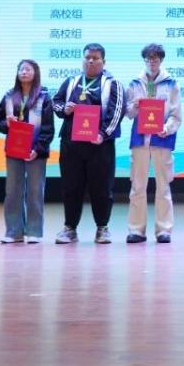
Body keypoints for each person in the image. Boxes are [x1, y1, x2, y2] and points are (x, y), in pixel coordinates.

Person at [52, 43, 125, 244]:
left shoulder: (113, 84)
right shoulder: (72, 81)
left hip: (100, 145)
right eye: (87, 58)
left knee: (101, 188)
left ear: (103, 61)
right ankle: (70, 228)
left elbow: (117, 112)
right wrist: (64, 109)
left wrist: (103, 134)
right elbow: (55, 102)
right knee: (71, 187)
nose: (90, 61)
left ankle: (102, 228)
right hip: (71, 143)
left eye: (95, 58)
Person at [124, 43, 182, 244]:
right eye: (148, 59)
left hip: (162, 139)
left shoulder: (172, 83)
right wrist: (134, 106)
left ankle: (164, 230)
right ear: (144, 60)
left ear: (161, 60)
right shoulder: (134, 83)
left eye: (155, 58)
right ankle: (136, 230)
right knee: (137, 186)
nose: (152, 62)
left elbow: (176, 115)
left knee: (163, 186)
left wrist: (167, 128)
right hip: (140, 139)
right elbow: (128, 113)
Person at [0, 59, 54, 244]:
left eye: (28, 69)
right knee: (13, 191)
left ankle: (34, 232)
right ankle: (14, 232)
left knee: (35, 192)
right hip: (14, 149)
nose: (24, 72)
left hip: (36, 151)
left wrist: (38, 149)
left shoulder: (44, 96)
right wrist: (7, 123)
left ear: (35, 73)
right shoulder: (9, 96)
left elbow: (48, 128)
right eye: (21, 69)